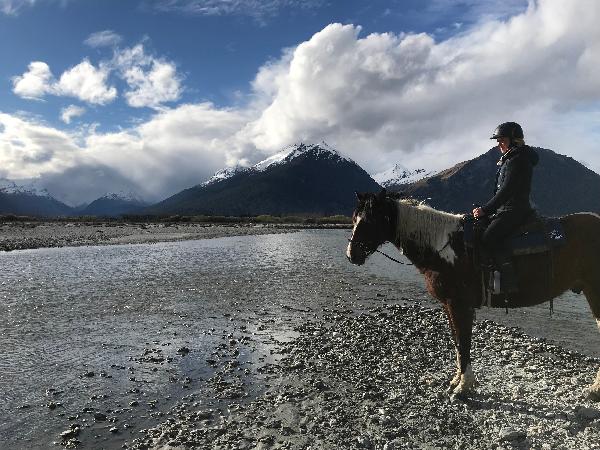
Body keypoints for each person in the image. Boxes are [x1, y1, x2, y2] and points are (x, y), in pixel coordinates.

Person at [472, 121, 539, 293]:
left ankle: (509, 282)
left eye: (502, 139)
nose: (498, 143)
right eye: (498, 140)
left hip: (515, 210)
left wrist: (485, 210)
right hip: (507, 209)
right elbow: (501, 192)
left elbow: (507, 191)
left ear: (514, 139)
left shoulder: (518, 159)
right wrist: (487, 209)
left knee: (489, 237)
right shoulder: (512, 158)